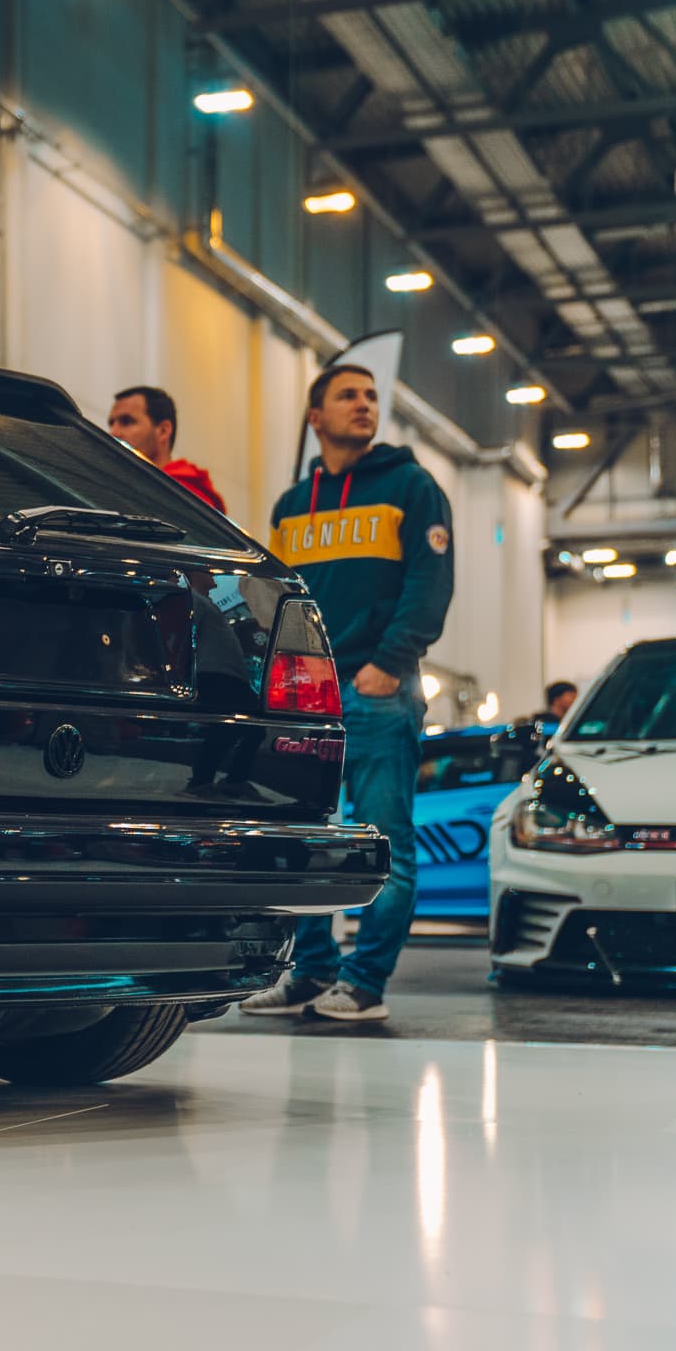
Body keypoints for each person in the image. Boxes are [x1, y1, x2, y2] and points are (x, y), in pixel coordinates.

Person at [242, 362, 453, 1024]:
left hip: (378, 690)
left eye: (370, 396)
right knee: (304, 836)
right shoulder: (290, 506)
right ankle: (311, 972)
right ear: (316, 417)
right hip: (305, 698)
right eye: (347, 395)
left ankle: (365, 982)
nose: (364, 404)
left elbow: (430, 585)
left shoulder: (412, 487)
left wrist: (388, 664)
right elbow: (273, 598)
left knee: (386, 840)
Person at [107, 385, 226, 513]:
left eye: (126, 422)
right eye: (112, 424)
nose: (114, 433)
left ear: (163, 431)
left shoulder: (188, 495)